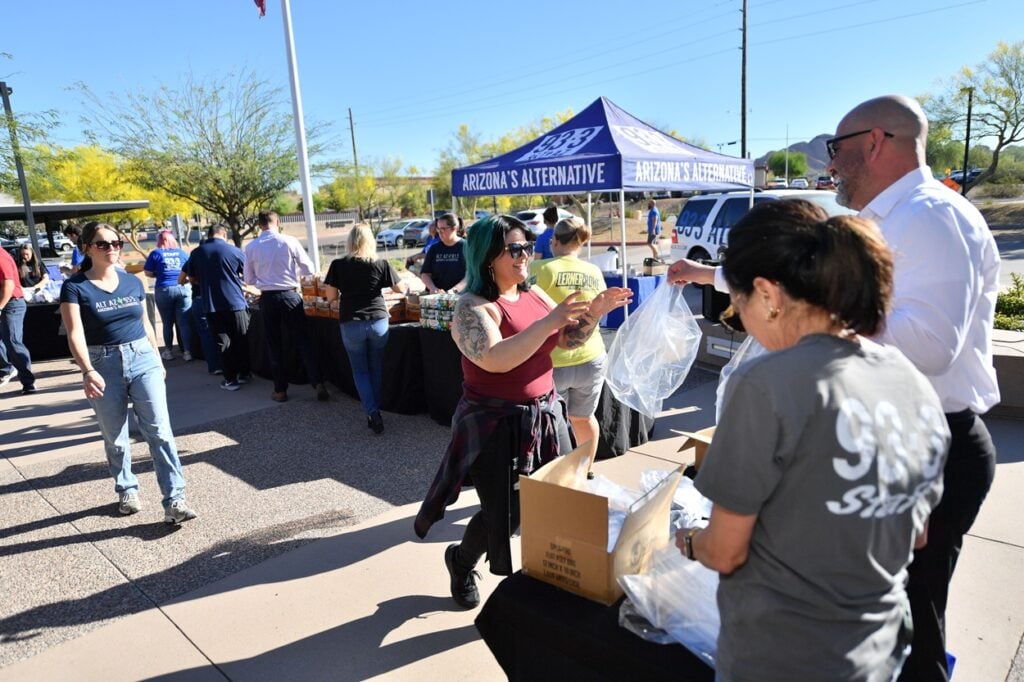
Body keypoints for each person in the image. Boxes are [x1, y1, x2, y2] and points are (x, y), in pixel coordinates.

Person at [675, 200, 949, 681]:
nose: (744, 322)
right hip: (878, 652)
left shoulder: (767, 384)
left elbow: (725, 551)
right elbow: (917, 532)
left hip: (785, 655)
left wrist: (689, 541)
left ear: (766, 294)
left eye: (737, 308)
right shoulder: (909, 379)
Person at [826, 94, 1000, 682]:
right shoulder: (889, 218)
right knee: (883, 620)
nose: (830, 165)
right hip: (902, 439)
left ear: (875, 142)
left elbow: (930, 345)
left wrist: (825, 320)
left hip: (934, 446)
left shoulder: (930, 215)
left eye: (836, 149)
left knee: (909, 624)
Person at [414, 215, 631, 609]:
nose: (525, 256)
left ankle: (553, 573)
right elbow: (496, 359)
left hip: (546, 414)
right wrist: (550, 320)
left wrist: (595, 313)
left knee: (560, 494)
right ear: (487, 257)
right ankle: (461, 563)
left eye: (527, 248)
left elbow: (564, 340)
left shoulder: (533, 295)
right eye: (514, 249)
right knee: (506, 515)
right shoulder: (472, 307)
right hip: (496, 423)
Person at [59, 222, 197, 523]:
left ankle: (175, 499)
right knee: (116, 436)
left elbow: (147, 323)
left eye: (115, 243)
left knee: (159, 431)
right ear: (87, 248)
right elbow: (75, 333)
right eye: (102, 244)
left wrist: (158, 359)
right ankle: (127, 488)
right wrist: (87, 370)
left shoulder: (133, 282)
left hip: (142, 358)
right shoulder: (75, 286)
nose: (111, 248)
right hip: (102, 362)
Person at [530, 216, 609, 465]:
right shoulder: (594, 270)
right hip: (592, 357)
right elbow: (600, 309)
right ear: (581, 243)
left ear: (553, 241)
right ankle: (585, 472)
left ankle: (558, 480)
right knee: (584, 418)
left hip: (553, 360)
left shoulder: (540, 269)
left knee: (553, 426)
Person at [321, 224, 408, 433]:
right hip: (378, 320)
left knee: (360, 370)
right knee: (375, 366)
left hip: (351, 321)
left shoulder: (338, 265)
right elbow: (401, 288)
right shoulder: (381, 263)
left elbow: (331, 297)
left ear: (349, 241)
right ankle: (374, 408)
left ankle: (372, 412)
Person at [244, 210, 328, 403]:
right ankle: (318, 381)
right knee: (304, 340)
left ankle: (280, 390)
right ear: (278, 222)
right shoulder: (289, 241)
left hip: (267, 298)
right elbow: (309, 269)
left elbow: (248, 279)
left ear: (259, 225)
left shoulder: (251, 247)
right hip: (290, 295)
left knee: (274, 344)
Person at [185, 223, 254, 391]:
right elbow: (248, 276)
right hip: (236, 302)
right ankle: (244, 373)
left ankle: (230, 380)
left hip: (212, 304)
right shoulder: (234, 250)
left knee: (223, 342)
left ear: (209, 235)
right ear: (224, 234)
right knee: (241, 338)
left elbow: (191, 277)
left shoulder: (196, 253)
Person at [144, 230, 193, 362]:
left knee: (167, 323)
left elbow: (148, 272)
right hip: (183, 288)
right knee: (184, 323)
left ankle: (168, 351)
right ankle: (187, 352)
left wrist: (158, 274)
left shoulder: (156, 253)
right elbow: (190, 269)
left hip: (164, 289)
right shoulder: (182, 253)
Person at [179, 229, 223, 376]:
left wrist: (190, 281)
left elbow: (181, 280)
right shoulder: (217, 258)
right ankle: (226, 364)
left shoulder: (194, 258)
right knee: (222, 333)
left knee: (206, 335)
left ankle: (214, 366)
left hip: (199, 300)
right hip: (218, 300)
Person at [0, 245, 37, 393]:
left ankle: (28, 382)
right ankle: (6, 369)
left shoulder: (1, 257)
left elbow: (9, 285)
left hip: (12, 303)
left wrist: (0, 307)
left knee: (12, 340)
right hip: (6, 302)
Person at [420, 213, 467, 294]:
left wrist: (455, 290)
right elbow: (425, 274)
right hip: (437, 296)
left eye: (443, 229)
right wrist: (432, 288)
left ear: (454, 228)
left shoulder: (467, 247)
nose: (439, 233)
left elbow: (472, 274)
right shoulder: (434, 248)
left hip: (461, 296)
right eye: (438, 229)